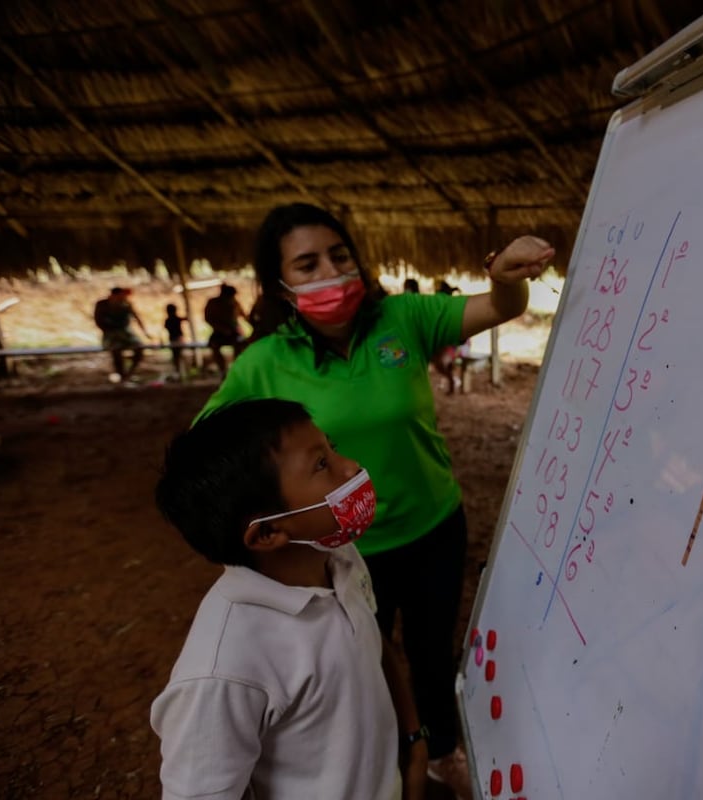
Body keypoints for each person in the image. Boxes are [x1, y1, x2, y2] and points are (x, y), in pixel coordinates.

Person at [196, 202, 553, 799]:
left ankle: (440, 751)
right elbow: (208, 451)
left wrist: (503, 280)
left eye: (338, 255)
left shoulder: (403, 318)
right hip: (340, 551)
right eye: (307, 264)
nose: (331, 271)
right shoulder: (264, 362)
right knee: (362, 659)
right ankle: (391, 759)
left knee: (433, 648)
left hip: (435, 524)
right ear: (281, 285)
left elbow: (501, 307)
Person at [151, 398, 428, 800]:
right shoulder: (223, 669)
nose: (350, 467)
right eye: (321, 465)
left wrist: (413, 739)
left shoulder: (337, 556)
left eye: (330, 447)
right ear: (266, 534)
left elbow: (371, 640)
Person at [93, 286, 150, 382]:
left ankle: (129, 373)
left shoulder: (126, 304)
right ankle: (122, 375)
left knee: (139, 348)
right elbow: (98, 319)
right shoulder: (102, 304)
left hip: (125, 332)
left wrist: (145, 333)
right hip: (110, 333)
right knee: (116, 351)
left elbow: (137, 317)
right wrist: (107, 329)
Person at [203, 283, 248, 378]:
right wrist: (221, 328)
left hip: (234, 333)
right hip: (219, 332)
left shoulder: (234, 303)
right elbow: (208, 318)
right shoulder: (214, 303)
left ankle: (237, 369)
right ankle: (223, 370)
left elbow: (244, 316)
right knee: (214, 345)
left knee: (240, 345)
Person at [162, 303, 187, 380]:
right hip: (178, 339)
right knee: (179, 356)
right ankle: (180, 372)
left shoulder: (168, 320)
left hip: (173, 339)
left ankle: (179, 372)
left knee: (176, 356)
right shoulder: (176, 319)